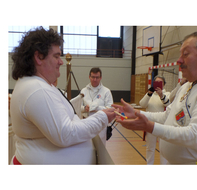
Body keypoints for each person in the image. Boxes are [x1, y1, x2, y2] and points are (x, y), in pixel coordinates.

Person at [113, 31, 197, 165]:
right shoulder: (187, 86)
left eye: (185, 54)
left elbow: (195, 135)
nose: (179, 60)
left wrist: (151, 127)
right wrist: (136, 113)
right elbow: (167, 117)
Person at [10, 27, 116, 164]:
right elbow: (65, 134)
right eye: (56, 56)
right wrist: (102, 117)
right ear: (38, 57)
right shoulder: (36, 89)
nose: (61, 61)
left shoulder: (39, 85)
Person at [139, 75, 170, 165]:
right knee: (150, 148)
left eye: (160, 83)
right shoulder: (150, 94)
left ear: (163, 84)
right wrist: (148, 94)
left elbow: (168, 104)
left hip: (163, 125)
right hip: (150, 124)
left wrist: (161, 95)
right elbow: (142, 105)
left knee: (163, 149)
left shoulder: (167, 94)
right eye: (156, 82)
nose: (158, 85)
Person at [80, 67, 114, 146]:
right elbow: (78, 107)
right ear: (89, 77)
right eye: (93, 77)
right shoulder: (83, 91)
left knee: (100, 149)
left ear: (100, 78)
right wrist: (85, 108)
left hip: (100, 125)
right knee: (87, 147)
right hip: (86, 124)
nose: (95, 80)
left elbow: (110, 109)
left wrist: (97, 108)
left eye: (97, 77)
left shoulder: (106, 91)